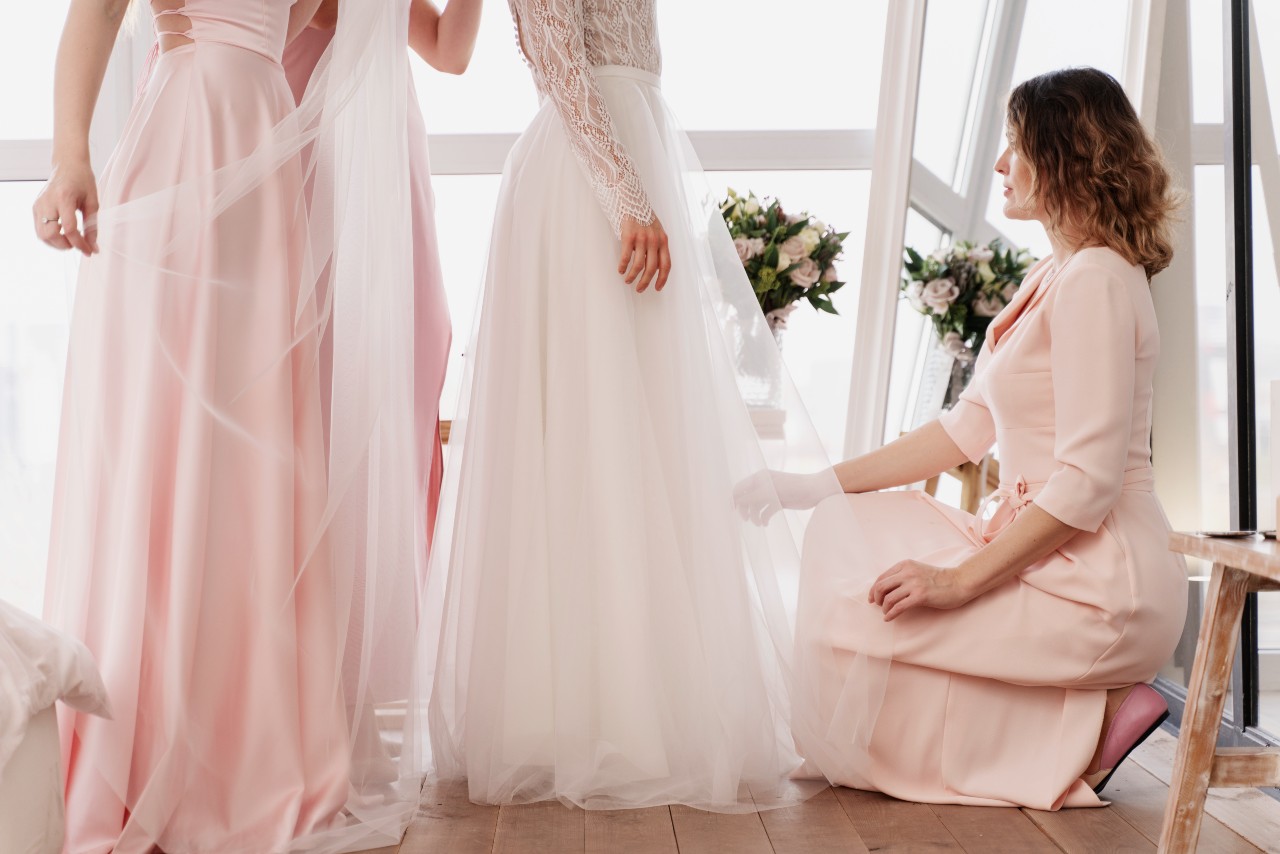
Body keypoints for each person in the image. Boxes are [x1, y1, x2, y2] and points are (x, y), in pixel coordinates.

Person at [424, 0, 852, 811]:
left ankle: (644, 704)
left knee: (646, 430)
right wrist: (623, 191)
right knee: (590, 430)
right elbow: (554, 51)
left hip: (633, 146)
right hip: (591, 174)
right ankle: (565, 715)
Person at [35, 1, 423, 850]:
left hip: (266, 145)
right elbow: (98, 9)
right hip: (187, 133)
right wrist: (70, 156)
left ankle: (248, 747)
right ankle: (144, 741)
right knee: (158, 437)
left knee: (258, 458)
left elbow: (365, 28)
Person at [746, 67, 1188, 810]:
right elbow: (962, 431)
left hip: (1102, 581)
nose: (999, 163)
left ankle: (1096, 716)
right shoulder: (1055, 275)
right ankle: (1088, 721)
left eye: (1016, 145)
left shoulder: (1097, 282)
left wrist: (956, 583)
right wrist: (814, 485)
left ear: (1063, 155)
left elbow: (1088, 482)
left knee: (866, 618)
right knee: (852, 561)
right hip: (1049, 551)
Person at [284, 0, 481, 561]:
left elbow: (450, 51)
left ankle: (399, 575)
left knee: (421, 341)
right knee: (322, 373)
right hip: (313, 143)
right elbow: (323, 14)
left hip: (389, 158)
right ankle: (321, 580)